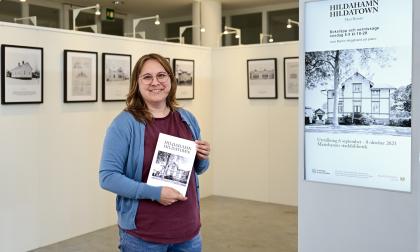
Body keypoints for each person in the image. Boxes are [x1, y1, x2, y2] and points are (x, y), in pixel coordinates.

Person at [99, 53, 210, 252]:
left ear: (170, 80)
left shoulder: (187, 118)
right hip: (143, 236)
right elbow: (107, 177)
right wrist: (155, 193)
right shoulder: (124, 124)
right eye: (147, 77)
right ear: (137, 83)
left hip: (188, 232)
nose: (155, 82)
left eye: (161, 75)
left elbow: (199, 169)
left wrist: (202, 156)